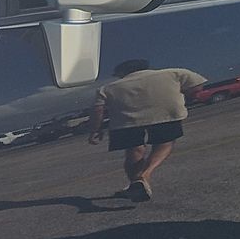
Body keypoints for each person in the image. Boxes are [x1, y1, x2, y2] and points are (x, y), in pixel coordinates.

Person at [88, 59, 206, 201]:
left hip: (125, 121)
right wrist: (184, 95)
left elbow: (98, 109)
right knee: (165, 143)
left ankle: (136, 184)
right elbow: (197, 87)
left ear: (121, 73)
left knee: (134, 150)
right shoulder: (174, 73)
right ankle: (145, 175)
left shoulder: (107, 88)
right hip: (164, 113)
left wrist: (95, 129)